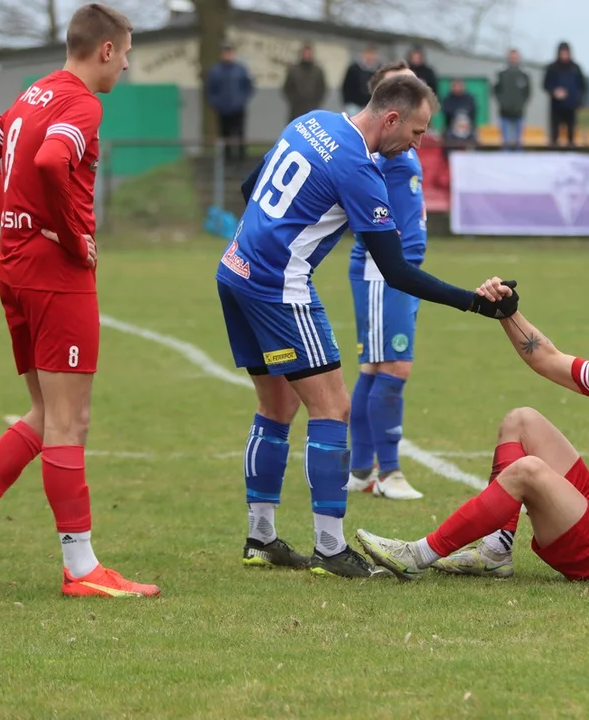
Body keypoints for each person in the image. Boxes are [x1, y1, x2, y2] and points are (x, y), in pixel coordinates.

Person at [217, 74, 519, 577]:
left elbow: (252, 186)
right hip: (279, 285)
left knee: (277, 403)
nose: (419, 143)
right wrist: (475, 303)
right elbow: (396, 270)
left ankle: (261, 536)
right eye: (419, 132)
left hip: (235, 268)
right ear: (392, 118)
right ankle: (330, 548)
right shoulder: (359, 166)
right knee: (332, 406)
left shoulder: (312, 121)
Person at [0, 3, 160, 598]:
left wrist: (12, 220)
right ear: (105, 50)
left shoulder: (35, 93)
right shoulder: (83, 103)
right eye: (127, 52)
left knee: (42, 413)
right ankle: (81, 568)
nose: (127, 65)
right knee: (69, 420)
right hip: (55, 273)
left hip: (16, 265)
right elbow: (52, 160)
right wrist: (67, 231)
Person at [355, 293, 589, 587]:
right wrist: (508, 313)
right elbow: (547, 358)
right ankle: (497, 550)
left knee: (528, 471)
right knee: (521, 420)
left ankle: (417, 555)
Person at [346, 61, 429, 501]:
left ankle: (361, 469)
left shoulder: (402, 141)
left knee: (375, 367)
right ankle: (388, 472)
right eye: (408, 80)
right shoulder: (380, 147)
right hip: (383, 272)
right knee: (394, 367)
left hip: (399, 271)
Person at [207, 42, 254, 162]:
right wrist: (216, 104)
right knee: (225, 135)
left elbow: (248, 86)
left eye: (229, 52)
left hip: (238, 108)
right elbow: (210, 90)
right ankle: (227, 160)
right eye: (225, 52)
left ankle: (241, 158)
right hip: (223, 110)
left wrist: (241, 100)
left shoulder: (241, 69)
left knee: (240, 134)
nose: (228, 55)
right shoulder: (215, 71)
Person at [543, 41, 586, 147]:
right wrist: (554, 92)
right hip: (556, 107)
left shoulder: (575, 68)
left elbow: (583, 86)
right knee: (555, 136)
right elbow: (545, 84)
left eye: (566, 52)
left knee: (571, 136)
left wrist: (579, 101)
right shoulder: (552, 68)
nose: (564, 55)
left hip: (571, 107)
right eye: (562, 52)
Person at [493, 48, 530, 150]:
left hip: (519, 113)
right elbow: (496, 91)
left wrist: (520, 104)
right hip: (504, 114)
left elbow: (527, 93)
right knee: (505, 143)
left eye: (515, 57)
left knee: (519, 143)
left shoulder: (524, 74)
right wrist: (503, 103)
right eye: (512, 57)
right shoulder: (501, 73)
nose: (514, 59)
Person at [283, 43, 326, 122]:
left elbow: (322, 88)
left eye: (309, 53)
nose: (307, 55)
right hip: (296, 109)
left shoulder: (317, 71)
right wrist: (294, 100)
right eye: (305, 53)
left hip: (312, 108)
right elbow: (287, 88)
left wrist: (316, 101)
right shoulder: (294, 70)